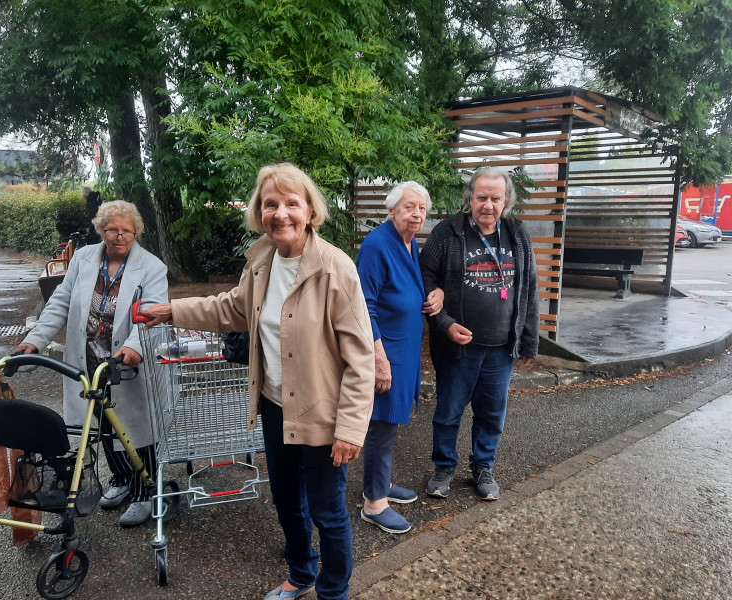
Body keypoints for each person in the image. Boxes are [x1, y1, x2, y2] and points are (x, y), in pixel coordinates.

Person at [140, 163, 375, 600]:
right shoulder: (262, 260)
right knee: (287, 502)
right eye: (271, 204)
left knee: (327, 511)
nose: (280, 213)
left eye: (291, 203)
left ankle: (333, 592)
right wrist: (173, 310)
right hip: (274, 404)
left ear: (309, 211)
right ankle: (301, 574)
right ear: (259, 211)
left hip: (322, 414)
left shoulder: (334, 269)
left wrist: (350, 428)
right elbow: (232, 308)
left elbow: (360, 357)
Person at [15, 200, 168, 527]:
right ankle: (122, 478)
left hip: (127, 363)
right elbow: (59, 304)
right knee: (100, 424)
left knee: (136, 428)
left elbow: (152, 314)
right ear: (101, 230)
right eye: (112, 229)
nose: (120, 236)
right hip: (88, 361)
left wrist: (135, 347)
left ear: (136, 231)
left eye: (127, 230)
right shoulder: (84, 259)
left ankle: (145, 491)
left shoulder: (151, 267)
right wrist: (35, 340)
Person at [419, 166, 539, 501]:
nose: (488, 204)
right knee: (448, 412)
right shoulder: (448, 232)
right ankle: (443, 467)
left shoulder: (517, 233)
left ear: (507, 201)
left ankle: (483, 467)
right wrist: (443, 322)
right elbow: (424, 277)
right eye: (481, 197)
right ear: (469, 198)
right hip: (458, 348)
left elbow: (529, 287)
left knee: (491, 414)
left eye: (495, 198)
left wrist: (529, 338)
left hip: (500, 348)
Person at [355, 181, 443, 534]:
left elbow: (411, 288)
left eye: (421, 208)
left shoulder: (409, 243)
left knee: (389, 424)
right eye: (409, 207)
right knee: (381, 424)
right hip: (386, 350)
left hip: (403, 350)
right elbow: (364, 305)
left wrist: (435, 293)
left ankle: (382, 483)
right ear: (391, 210)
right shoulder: (378, 244)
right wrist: (379, 357)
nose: (417, 214)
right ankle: (374, 503)